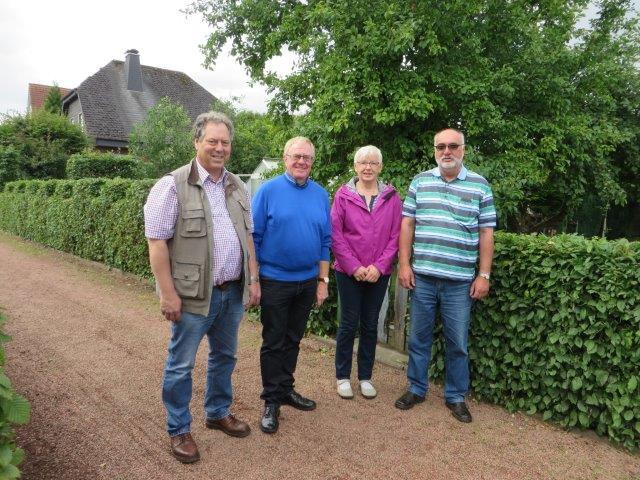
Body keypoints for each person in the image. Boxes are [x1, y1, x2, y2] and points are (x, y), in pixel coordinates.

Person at [144, 111, 260, 463]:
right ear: (197, 142)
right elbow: (157, 242)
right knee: (181, 365)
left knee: (225, 356)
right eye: (212, 141)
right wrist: (167, 293)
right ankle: (179, 428)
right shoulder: (172, 184)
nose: (219, 148)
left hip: (231, 292)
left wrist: (253, 279)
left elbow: (248, 238)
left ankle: (217, 412)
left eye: (225, 142)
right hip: (193, 295)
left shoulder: (237, 185)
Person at [394, 128, 496, 423]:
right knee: (419, 338)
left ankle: (455, 397)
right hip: (423, 278)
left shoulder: (480, 185)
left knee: (458, 343)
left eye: (453, 146)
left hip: (460, 282)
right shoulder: (420, 182)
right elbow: (407, 225)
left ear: (463, 149)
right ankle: (416, 388)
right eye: (441, 146)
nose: (446, 151)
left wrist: (484, 275)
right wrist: (404, 264)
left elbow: (486, 231)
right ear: (435, 150)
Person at [251, 136, 331, 434]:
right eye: (296, 156)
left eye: (307, 158)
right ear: (285, 159)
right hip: (275, 280)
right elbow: (254, 238)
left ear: (312, 162)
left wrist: (322, 281)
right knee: (273, 342)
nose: (301, 162)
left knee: (294, 339)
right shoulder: (268, 191)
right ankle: (271, 401)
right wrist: (254, 279)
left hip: (306, 282)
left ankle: (285, 389)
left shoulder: (321, 194)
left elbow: (325, 241)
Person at [331, 145, 401, 399]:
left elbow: (396, 236)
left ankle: (365, 377)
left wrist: (379, 267)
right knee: (348, 324)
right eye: (363, 163)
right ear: (355, 167)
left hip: (377, 274)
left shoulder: (392, 197)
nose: (368, 167)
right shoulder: (342, 195)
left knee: (371, 324)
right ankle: (342, 377)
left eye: (373, 163)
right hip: (349, 272)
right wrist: (355, 267)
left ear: (380, 167)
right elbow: (336, 235)